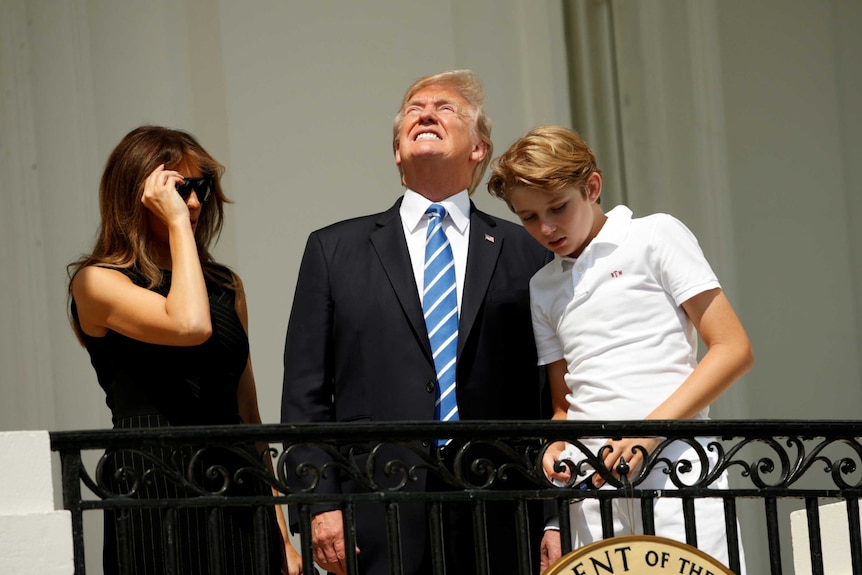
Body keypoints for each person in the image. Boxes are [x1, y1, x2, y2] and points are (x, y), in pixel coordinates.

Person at [281, 70, 551, 575]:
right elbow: (305, 398)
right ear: (397, 153)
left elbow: (548, 396)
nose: (425, 112)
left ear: (479, 149)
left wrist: (554, 518)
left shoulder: (527, 252)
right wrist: (320, 506)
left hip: (499, 511)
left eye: (445, 108)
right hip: (375, 510)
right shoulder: (333, 250)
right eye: (413, 108)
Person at [487, 125, 753, 574]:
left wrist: (648, 434)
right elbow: (562, 405)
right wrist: (555, 444)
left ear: (592, 187)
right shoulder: (542, 286)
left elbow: (733, 348)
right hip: (590, 489)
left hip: (679, 469)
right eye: (528, 217)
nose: (546, 227)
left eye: (558, 207)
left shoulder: (655, 235)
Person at [67, 126, 302, 575]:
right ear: (140, 194)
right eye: (179, 189)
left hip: (237, 488)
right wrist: (177, 224)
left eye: (200, 187)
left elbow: (248, 416)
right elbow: (189, 324)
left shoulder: (225, 285)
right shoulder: (96, 281)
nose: (193, 202)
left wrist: (281, 533)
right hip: (153, 491)